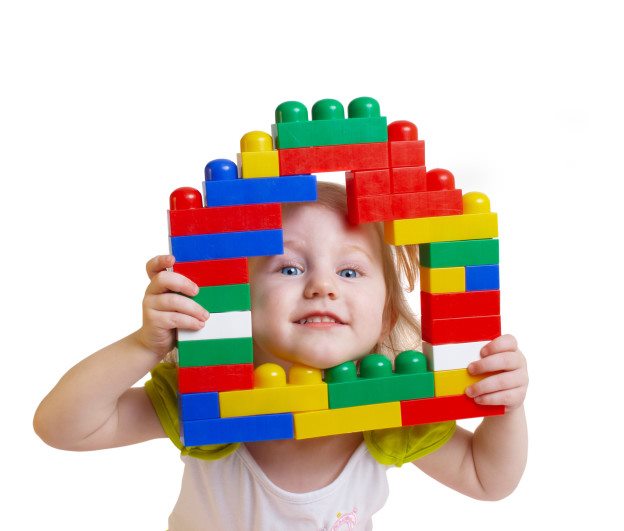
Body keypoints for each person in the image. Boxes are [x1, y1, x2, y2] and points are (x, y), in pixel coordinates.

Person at [33, 181, 528, 530]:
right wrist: (145, 344)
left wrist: (506, 406)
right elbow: (62, 427)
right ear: (236, 302)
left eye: (350, 272)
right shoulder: (206, 402)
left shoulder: (390, 413)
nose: (322, 286)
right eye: (289, 268)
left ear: (385, 316)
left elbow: (488, 479)